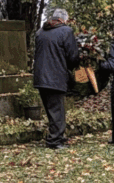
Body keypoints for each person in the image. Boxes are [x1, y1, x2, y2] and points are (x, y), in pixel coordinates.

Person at [32, 8, 80, 149]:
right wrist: (74, 66)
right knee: (57, 110)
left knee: (51, 109)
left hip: (40, 77)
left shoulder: (40, 32)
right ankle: (55, 141)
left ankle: (57, 136)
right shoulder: (66, 31)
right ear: (63, 19)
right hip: (56, 76)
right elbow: (72, 56)